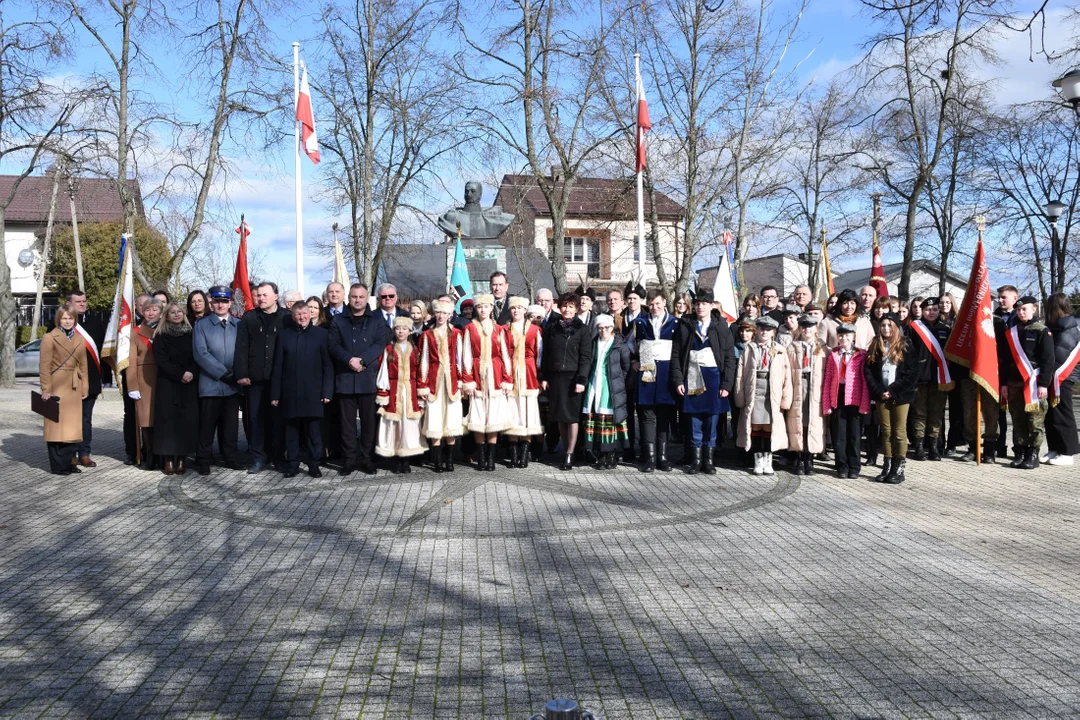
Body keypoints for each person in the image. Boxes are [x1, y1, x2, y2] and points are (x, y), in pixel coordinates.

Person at [670, 291, 737, 474]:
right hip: (691, 376)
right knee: (694, 421)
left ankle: (708, 460)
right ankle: (696, 460)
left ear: (711, 305)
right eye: (698, 303)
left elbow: (730, 358)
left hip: (714, 378)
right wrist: (678, 380)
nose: (700, 306)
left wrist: (726, 385)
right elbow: (676, 355)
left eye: (705, 303)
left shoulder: (721, 327)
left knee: (711, 420)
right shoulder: (685, 325)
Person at [329, 283, 390, 475]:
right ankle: (349, 460)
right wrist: (349, 360)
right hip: (346, 379)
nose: (357, 300)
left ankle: (366, 459)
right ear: (349, 298)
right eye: (354, 297)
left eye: (361, 297)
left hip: (368, 379)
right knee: (347, 425)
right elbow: (333, 344)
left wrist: (363, 360)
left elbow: (381, 343)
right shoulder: (338, 320)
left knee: (368, 424)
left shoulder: (377, 320)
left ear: (367, 298)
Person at [271, 301, 334, 478]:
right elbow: (278, 367)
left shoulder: (321, 335)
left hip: (314, 393)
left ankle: (314, 464)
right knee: (291, 432)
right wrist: (275, 394)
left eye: (305, 313)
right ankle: (293, 464)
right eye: (298, 314)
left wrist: (327, 392)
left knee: (314, 432)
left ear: (310, 314)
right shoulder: (284, 336)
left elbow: (327, 366)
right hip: (290, 393)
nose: (302, 317)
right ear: (293, 316)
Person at [235, 281, 289, 474]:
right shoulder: (249, 318)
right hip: (255, 379)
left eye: (265, 295)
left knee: (278, 420)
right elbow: (241, 347)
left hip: (279, 379)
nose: (260, 298)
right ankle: (259, 457)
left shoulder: (286, 318)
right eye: (258, 295)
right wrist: (242, 373)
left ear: (276, 296)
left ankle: (279, 457)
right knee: (256, 419)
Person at [865, 312, 921, 483]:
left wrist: (893, 390)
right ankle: (887, 465)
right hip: (882, 394)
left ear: (896, 327)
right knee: (886, 431)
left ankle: (899, 467)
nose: (886, 328)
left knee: (899, 431)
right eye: (883, 325)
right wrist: (880, 390)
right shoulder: (876, 344)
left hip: (900, 395)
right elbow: (869, 371)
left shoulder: (906, 344)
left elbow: (912, 373)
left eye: (890, 325)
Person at [461, 294, 514, 470]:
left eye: (486, 306)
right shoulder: (469, 328)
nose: (483, 310)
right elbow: (466, 355)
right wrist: (468, 380)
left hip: (495, 374)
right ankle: (481, 456)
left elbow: (506, 355)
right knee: (477, 415)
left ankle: (491, 457)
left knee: (493, 416)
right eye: (480, 307)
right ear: (476, 309)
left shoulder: (500, 329)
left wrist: (507, 379)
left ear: (491, 308)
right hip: (477, 375)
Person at [193, 285, 242, 476]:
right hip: (210, 384)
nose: (221, 305)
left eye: (224, 301)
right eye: (217, 301)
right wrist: (223, 373)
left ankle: (230, 457)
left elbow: (243, 352)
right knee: (207, 425)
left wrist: (237, 373)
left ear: (230, 303)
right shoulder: (201, 325)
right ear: (211, 303)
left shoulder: (238, 324)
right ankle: (203, 459)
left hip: (232, 386)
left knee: (230, 425)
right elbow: (200, 354)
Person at [734, 316, 792, 475]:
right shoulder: (750, 348)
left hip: (771, 392)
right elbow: (740, 373)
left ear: (773, 332)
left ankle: (768, 459)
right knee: (755, 425)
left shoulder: (780, 349)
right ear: (756, 330)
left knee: (769, 426)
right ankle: (757, 460)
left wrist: (785, 397)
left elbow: (787, 375)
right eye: (761, 329)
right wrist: (740, 395)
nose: (764, 332)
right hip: (754, 390)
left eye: (768, 330)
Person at [541, 293, 593, 471]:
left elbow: (586, 357)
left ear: (577, 308)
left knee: (571, 417)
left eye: (571, 306)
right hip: (556, 378)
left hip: (573, 378)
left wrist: (581, 380)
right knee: (559, 417)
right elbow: (546, 355)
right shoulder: (552, 327)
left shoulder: (582, 329)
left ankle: (570, 453)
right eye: (564, 306)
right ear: (559, 307)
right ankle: (566, 449)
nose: (567, 309)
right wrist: (545, 377)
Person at [1003, 295, 1056, 469]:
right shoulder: (1012, 332)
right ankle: (1020, 451)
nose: (1021, 312)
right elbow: (1005, 360)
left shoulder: (1042, 331)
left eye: (1024, 309)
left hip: (1034, 383)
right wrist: (1003, 383)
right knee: (1017, 419)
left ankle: (1033, 453)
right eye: (1018, 309)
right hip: (1014, 382)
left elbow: (1048, 360)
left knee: (1035, 420)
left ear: (1034, 309)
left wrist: (1044, 384)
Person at [39, 305, 89, 474]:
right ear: (58, 319)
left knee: (72, 427)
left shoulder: (80, 339)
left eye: (70, 318)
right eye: (64, 318)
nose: (67, 321)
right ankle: (58, 466)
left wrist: (85, 386)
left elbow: (83, 365)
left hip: (75, 385)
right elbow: (44, 366)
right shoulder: (49, 337)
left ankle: (69, 463)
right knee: (56, 426)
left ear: (75, 320)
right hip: (57, 385)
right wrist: (46, 388)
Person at [633, 290, 679, 472]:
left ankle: (662, 457)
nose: (654, 307)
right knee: (647, 417)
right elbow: (633, 345)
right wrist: (634, 361)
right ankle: (650, 458)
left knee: (664, 417)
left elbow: (679, 350)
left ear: (665, 302)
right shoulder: (640, 322)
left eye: (658, 304)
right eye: (651, 304)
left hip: (666, 374)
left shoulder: (676, 323)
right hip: (646, 374)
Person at [152, 302, 199, 475]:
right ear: (167, 316)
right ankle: (168, 460)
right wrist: (180, 374)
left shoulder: (192, 333)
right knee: (168, 424)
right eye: (173, 312)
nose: (177, 314)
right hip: (168, 385)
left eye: (180, 311)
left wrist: (191, 373)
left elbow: (198, 354)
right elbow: (161, 360)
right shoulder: (161, 335)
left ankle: (181, 459)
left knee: (185, 423)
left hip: (189, 384)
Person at [418, 300, 465, 472]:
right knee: (434, 419)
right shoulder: (427, 335)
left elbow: (461, 359)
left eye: (444, 313)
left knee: (451, 420)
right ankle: (437, 460)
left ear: (450, 315)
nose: (441, 316)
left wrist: (461, 382)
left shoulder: (457, 334)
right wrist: (422, 385)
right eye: (438, 313)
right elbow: (423, 360)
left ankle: (450, 460)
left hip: (452, 382)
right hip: (433, 383)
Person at [374, 318, 426, 472]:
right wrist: (383, 394)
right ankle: (396, 459)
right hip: (395, 391)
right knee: (395, 426)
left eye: (404, 329)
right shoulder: (389, 350)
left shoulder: (415, 350)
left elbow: (420, 373)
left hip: (410, 392)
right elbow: (383, 373)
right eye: (398, 329)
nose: (401, 331)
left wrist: (420, 393)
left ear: (410, 331)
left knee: (409, 426)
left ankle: (406, 459)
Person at [582, 314, 631, 469]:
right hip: (594, 385)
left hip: (611, 388)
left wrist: (617, 383)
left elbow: (626, 367)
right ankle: (601, 454)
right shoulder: (593, 343)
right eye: (600, 328)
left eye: (607, 327)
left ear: (612, 328)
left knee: (609, 420)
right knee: (597, 420)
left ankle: (611, 454)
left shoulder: (620, 345)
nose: (603, 331)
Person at [822, 323, 870, 478]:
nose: (844, 338)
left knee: (854, 435)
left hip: (855, 397)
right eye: (841, 335)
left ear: (853, 337)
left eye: (847, 335)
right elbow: (828, 379)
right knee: (839, 434)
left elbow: (864, 380)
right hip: (838, 395)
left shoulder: (861, 355)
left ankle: (854, 467)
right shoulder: (833, 355)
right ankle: (841, 466)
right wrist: (827, 403)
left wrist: (864, 403)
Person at [908, 297, 953, 461]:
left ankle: (934, 447)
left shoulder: (946, 329)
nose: (931, 312)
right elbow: (909, 353)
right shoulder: (914, 328)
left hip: (939, 378)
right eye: (928, 309)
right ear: (923, 311)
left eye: (934, 309)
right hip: (920, 378)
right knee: (919, 413)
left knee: (936, 413)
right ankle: (919, 447)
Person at [785, 315, 828, 477]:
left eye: (810, 327)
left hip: (815, 387)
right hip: (798, 385)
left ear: (815, 329)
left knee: (813, 422)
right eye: (803, 327)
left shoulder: (823, 348)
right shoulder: (792, 347)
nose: (806, 330)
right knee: (798, 422)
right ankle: (799, 457)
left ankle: (810, 458)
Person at [504, 297, 543, 466]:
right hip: (510, 373)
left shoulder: (535, 330)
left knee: (528, 413)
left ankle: (525, 453)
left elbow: (540, 355)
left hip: (529, 373)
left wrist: (540, 377)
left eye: (520, 308)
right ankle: (513, 453)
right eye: (514, 308)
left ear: (525, 310)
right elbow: (502, 353)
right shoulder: (504, 329)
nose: (516, 311)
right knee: (512, 413)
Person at [68, 291, 104, 467]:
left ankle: (84, 453)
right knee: (70, 418)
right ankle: (70, 453)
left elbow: (104, 350)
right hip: (69, 381)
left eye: (84, 301)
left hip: (91, 379)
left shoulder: (96, 321)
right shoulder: (61, 323)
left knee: (85, 419)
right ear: (69, 303)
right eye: (78, 301)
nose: (82, 304)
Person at [1045, 292, 1080, 466]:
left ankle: (1068, 452)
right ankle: (1055, 448)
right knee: (1051, 413)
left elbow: (1060, 354)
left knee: (1063, 413)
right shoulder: (1057, 327)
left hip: (1063, 376)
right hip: (1054, 375)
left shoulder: (1069, 327)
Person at [128, 296, 162, 469]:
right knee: (146, 422)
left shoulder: (166, 329)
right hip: (144, 380)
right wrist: (132, 385)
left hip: (163, 379)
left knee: (162, 421)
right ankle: (150, 456)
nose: (151, 313)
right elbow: (131, 361)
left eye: (154, 309)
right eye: (147, 310)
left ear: (161, 312)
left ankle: (163, 455)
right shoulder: (135, 332)